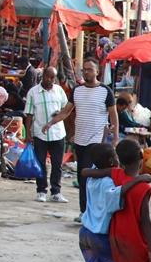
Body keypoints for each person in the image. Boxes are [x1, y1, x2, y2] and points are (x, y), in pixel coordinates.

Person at [45, 58, 119, 222]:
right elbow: (66, 111)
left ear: (97, 72)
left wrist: (114, 138)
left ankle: (89, 212)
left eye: (90, 69)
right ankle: (84, 210)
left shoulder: (105, 91)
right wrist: (51, 123)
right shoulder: (77, 90)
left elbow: (113, 115)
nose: (86, 72)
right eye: (84, 69)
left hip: (97, 140)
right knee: (81, 176)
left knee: (87, 174)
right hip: (80, 140)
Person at [79, 143, 151, 262]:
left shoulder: (100, 175)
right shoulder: (110, 183)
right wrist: (137, 179)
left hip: (85, 232)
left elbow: (93, 162)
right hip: (100, 236)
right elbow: (115, 195)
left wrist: (105, 137)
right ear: (112, 162)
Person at [109, 139, 151, 262]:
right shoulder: (142, 188)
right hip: (135, 248)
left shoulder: (115, 176)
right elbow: (145, 221)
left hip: (117, 244)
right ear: (142, 155)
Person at [24, 67, 69, 203]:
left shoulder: (59, 91)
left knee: (57, 164)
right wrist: (28, 133)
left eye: (52, 77)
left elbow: (66, 109)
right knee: (41, 163)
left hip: (58, 133)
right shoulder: (33, 92)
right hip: (40, 134)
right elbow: (29, 114)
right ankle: (41, 191)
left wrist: (58, 114)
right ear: (42, 76)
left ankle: (56, 192)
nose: (49, 80)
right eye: (47, 76)